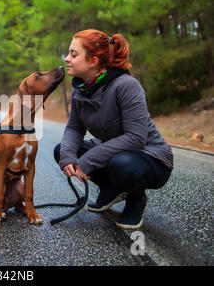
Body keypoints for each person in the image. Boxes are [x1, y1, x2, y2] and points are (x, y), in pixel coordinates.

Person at [54, 29, 173, 229]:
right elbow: (75, 127)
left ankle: (137, 201)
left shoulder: (126, 85)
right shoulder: (80, 89)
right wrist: (68, 156)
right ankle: (110, 189)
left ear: (93, 60)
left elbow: (136, 138)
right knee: (62, 150)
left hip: (150, 157)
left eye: (74, 55)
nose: (67, 59)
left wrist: (88, 160)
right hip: (114, 151)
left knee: (122, 164)